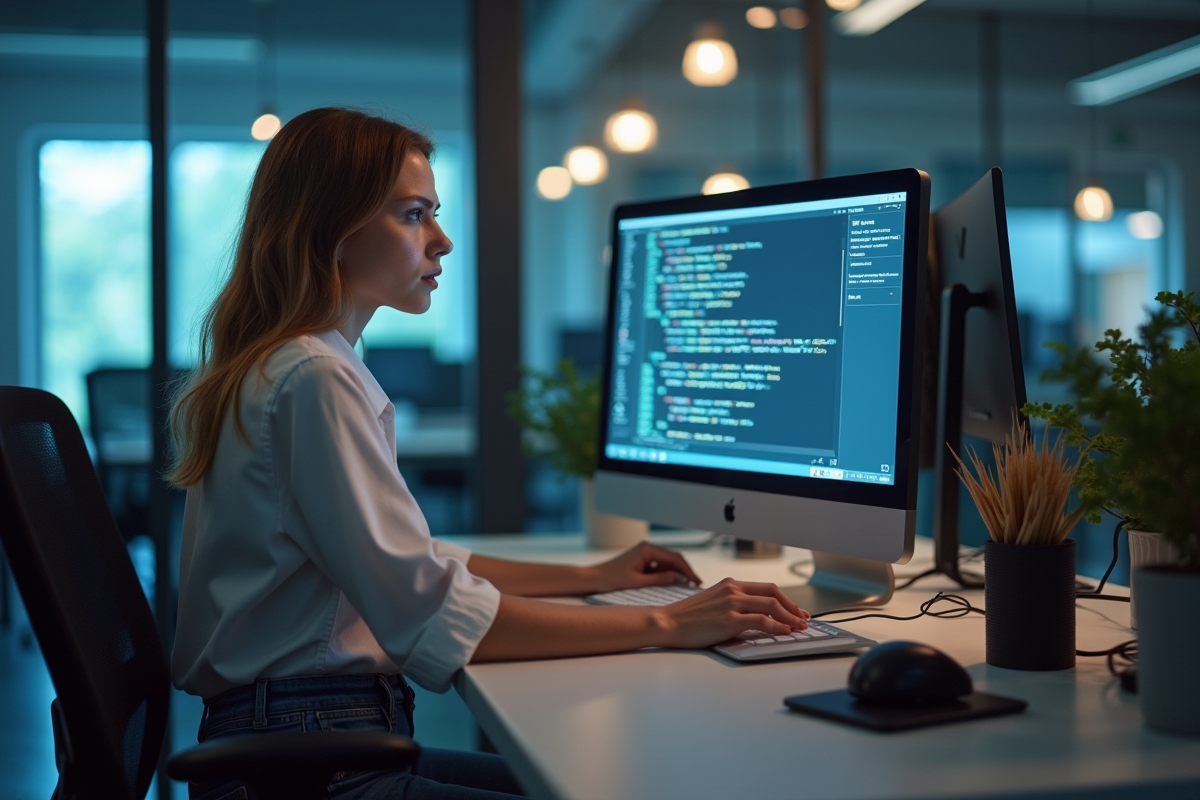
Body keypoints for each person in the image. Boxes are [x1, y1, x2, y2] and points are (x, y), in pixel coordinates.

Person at [169, 107, 810, 800]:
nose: (441, 241)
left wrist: (591, 575)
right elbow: (422, 609)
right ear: (330, 227)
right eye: (413, 215)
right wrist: (666, 623)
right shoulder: (312, 377)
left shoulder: (291, 366)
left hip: (303, 737)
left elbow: (411, 562)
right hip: (308, 763)